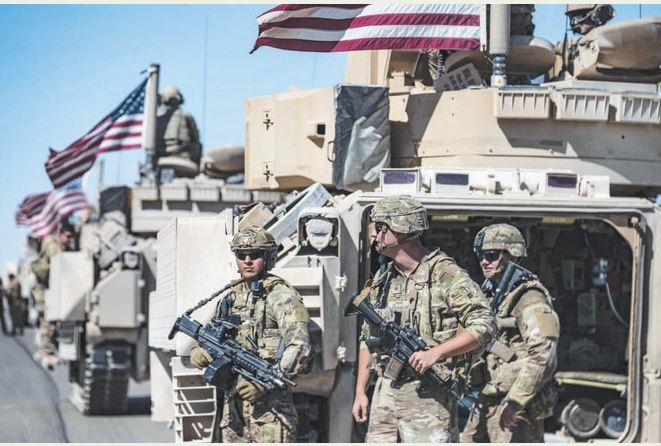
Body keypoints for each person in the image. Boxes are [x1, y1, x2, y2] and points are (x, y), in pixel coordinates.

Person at [351, 196, 496, 443]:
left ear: (397, 230)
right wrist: (360, 392)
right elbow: (369, 338)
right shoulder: (383, 279)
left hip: (429, 396)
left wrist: (435, 353)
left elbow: (484, 324)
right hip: (386, 392)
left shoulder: (444, 273)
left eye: (378, 228)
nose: (374, 235)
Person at [189, 227, 311, 442]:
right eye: (241, 255)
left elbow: (299, 345)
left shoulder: (280, 296)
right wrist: (200, 351)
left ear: (268, 257)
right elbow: (216, 337)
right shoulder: (230, 297)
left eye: (255, 255)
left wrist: (265, 384)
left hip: (271, 413)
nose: (247, 261)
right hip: (234, 413)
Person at [460, 223, 560, 443]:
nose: (484, 261)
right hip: (486, 400)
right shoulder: (492, 294)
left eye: (491, 255)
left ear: (512, 255)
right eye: (481, 256)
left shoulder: (530, 297)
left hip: (515, 404)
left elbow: (544, 356)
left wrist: (515, 402)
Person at [30, 222, 74, 366]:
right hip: (44, 289)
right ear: (60, 234)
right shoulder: (54, 247)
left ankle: (48, 349)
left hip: (51, 288)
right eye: (67, 236)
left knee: (50, 319)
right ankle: (47, 350)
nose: (69, 239)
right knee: (48, 320)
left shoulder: (60, 246)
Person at [155, 85, 202, 165]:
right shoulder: (186, 115)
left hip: (160, 157)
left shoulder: (156, 118)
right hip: (182, 156)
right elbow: (196, 138)